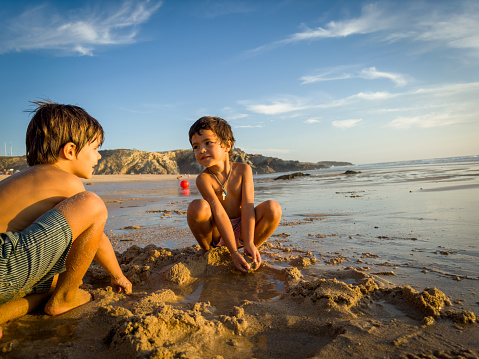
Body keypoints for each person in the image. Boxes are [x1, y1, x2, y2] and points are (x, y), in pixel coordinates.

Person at [0, 101, 132, 339]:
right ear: (70, 151)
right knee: (91, 204)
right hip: (3, 263)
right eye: (95, 148)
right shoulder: (64, 181)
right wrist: (117, 274)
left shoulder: (24, 180)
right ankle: (65, 298)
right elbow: (96, 232)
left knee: (51, 284)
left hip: (6, 273)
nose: (99, 156)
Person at [187, 116, 282, 273]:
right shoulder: (204, 179)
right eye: (195, 147)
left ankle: (249, 249)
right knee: (197, 207)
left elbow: (247, 206)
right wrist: (232, 252)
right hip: (218, 230)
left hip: (244, 226)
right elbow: (219, 213)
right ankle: (206, 249)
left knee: (273, 208)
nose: (201, 150)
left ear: (227, 145)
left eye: (207, 143)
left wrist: (249, 242)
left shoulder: (244, 170)